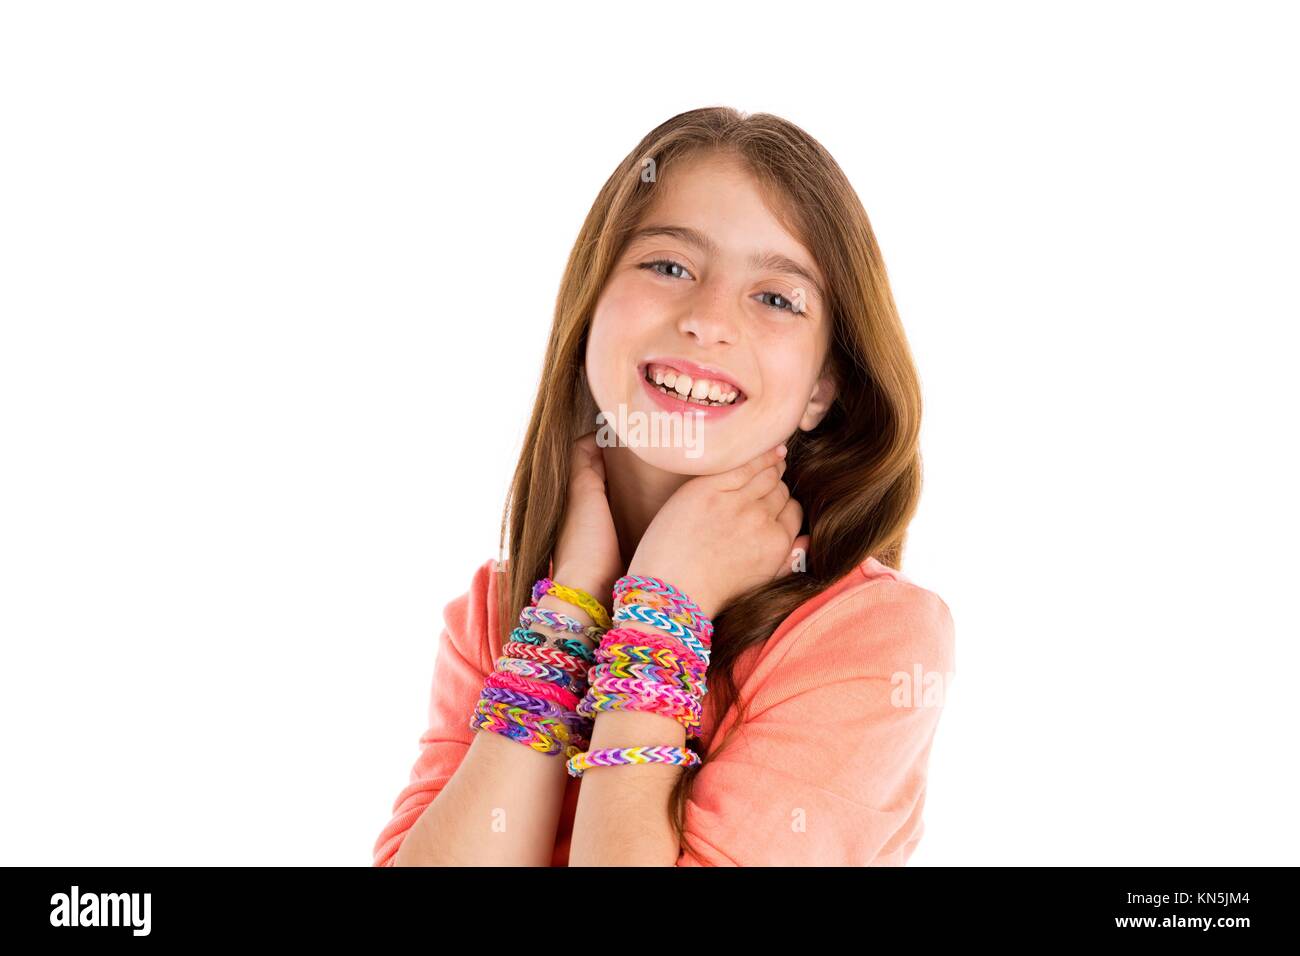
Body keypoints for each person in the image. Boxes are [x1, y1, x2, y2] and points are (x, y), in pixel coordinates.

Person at [373, 106, 956, 867]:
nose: (709, 321)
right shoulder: (496, 616)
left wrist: (663, 610)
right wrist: (573, 612)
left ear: (822, 387)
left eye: (777, 297)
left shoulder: (871, 639)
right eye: (670, 265)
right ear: (590, 309)